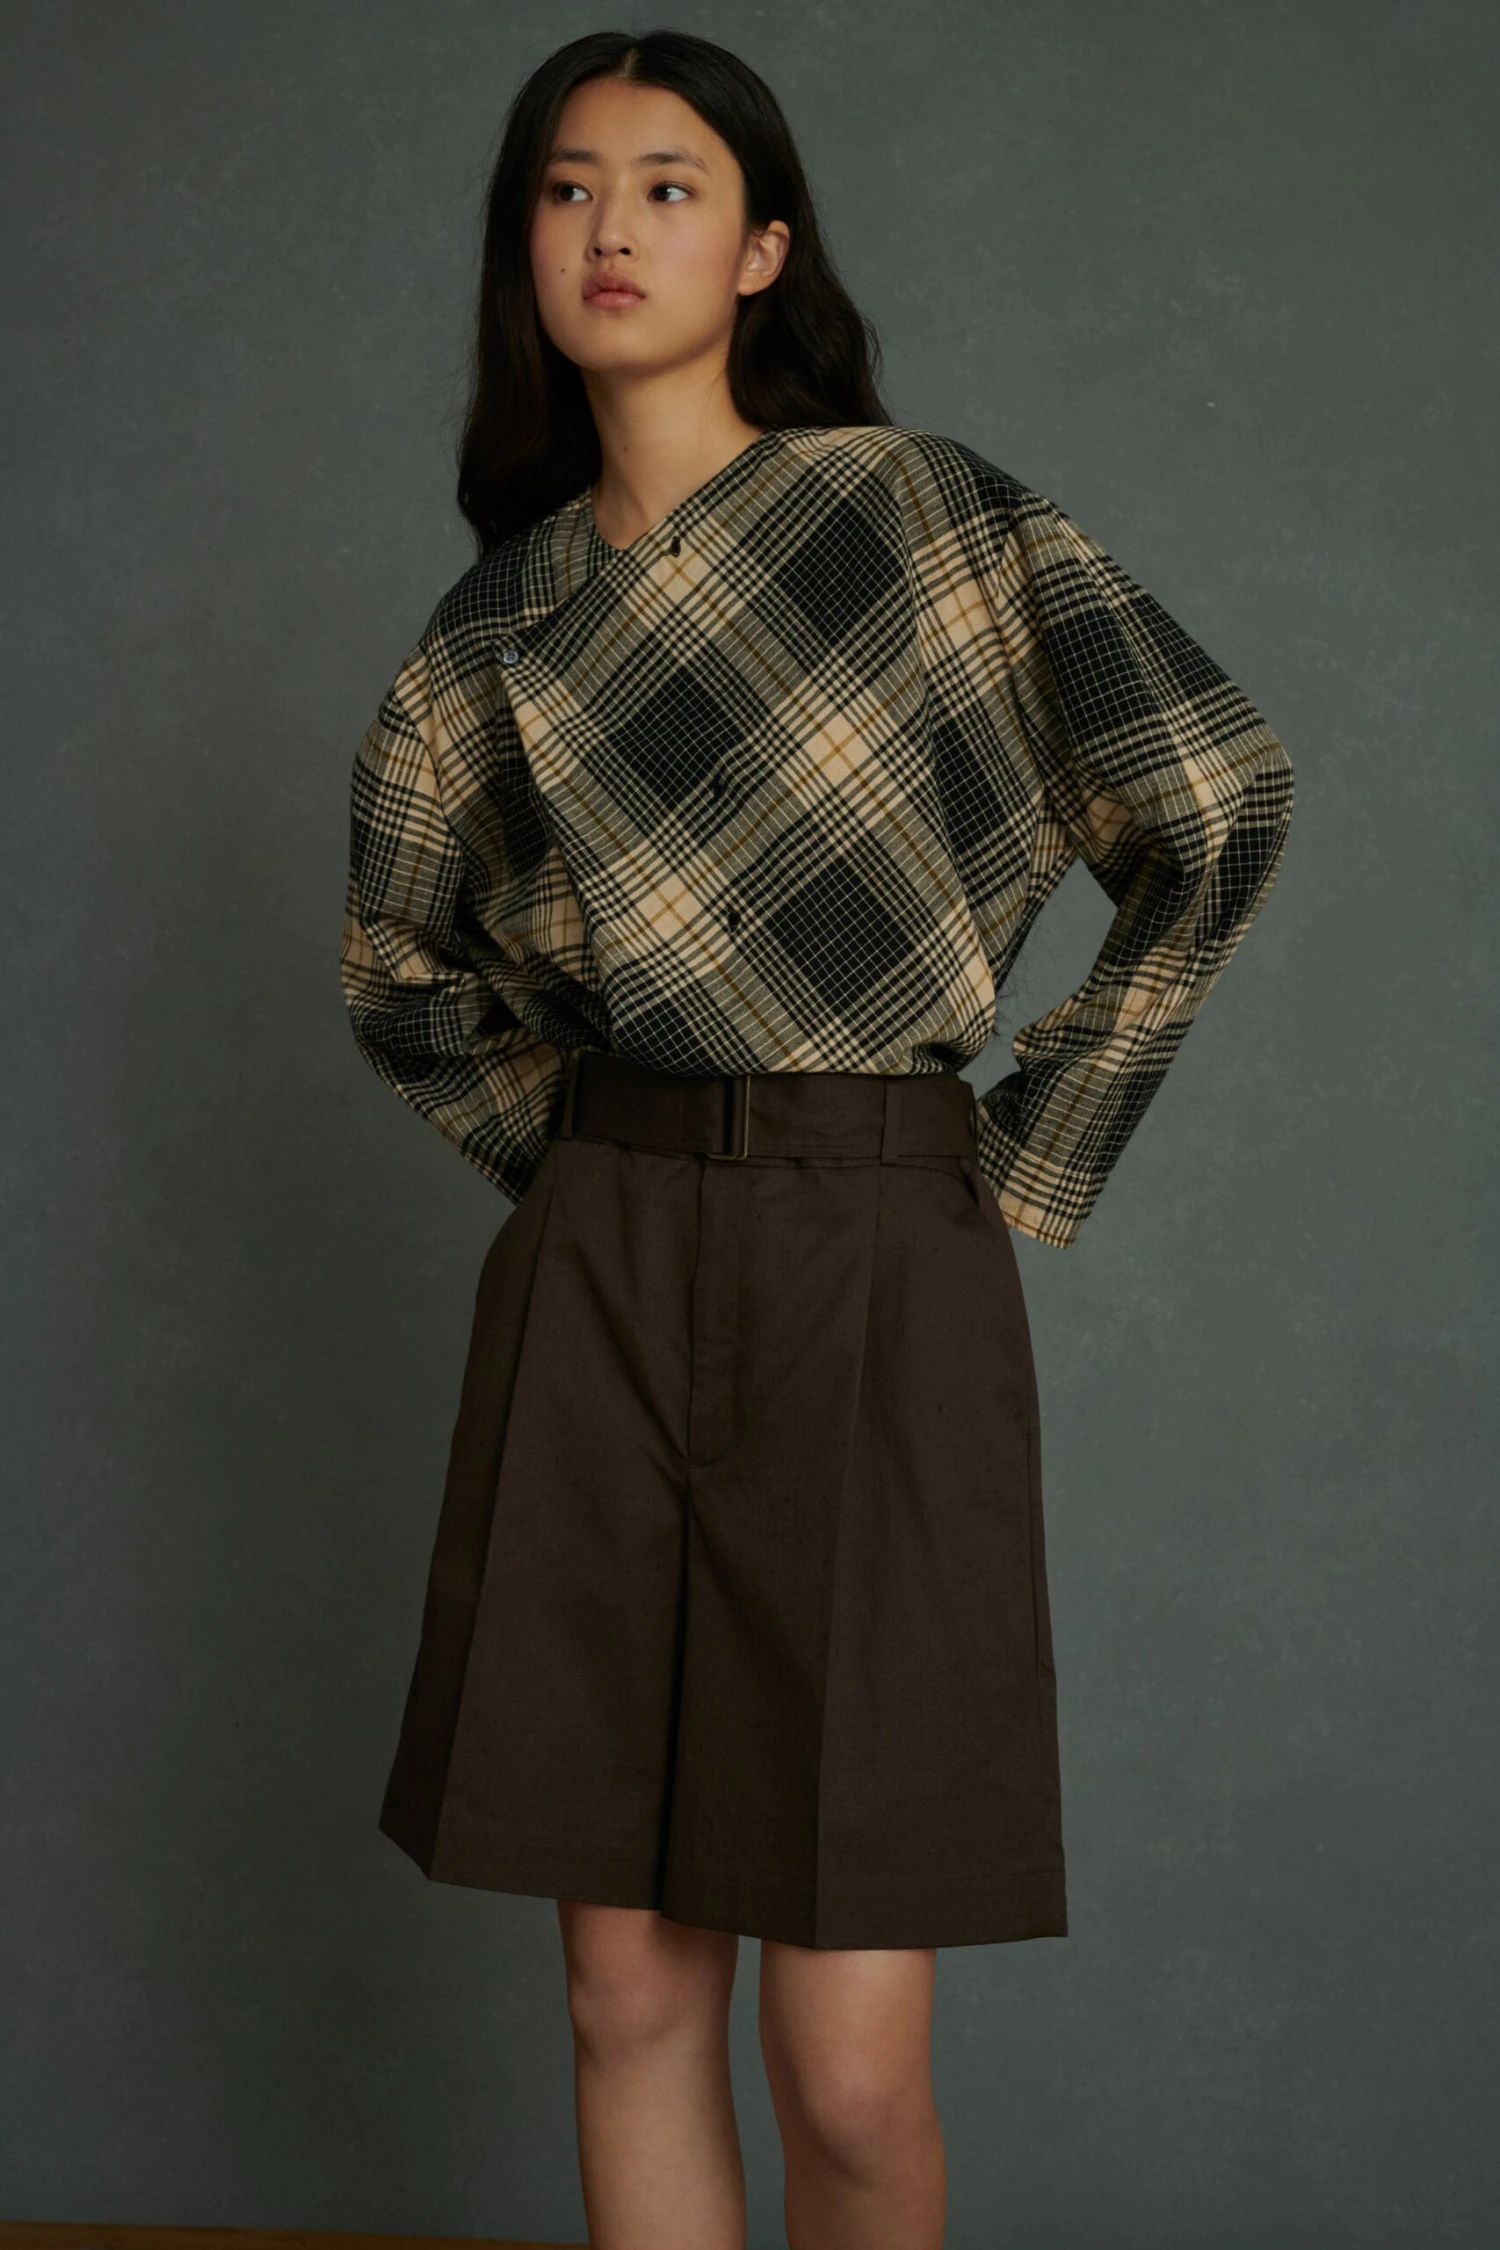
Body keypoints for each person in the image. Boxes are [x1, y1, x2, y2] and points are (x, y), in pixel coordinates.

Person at [338, 27, 1294, 2250]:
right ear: (522, 244)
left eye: (668, 186)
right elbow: (397, 970)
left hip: (875, 1242)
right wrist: (592, 1171)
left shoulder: (930, 519)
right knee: (621, 1997)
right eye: (567, 187)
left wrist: (1034, 1145)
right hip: (605, 1270)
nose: (610, 229)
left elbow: (1217, 794)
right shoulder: (490, 628)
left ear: (763, 249)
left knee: (849, 2067)